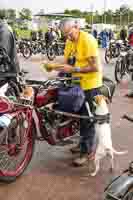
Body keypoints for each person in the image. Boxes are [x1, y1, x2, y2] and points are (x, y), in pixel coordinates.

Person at [46, 19, 103, 167]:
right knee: (77, 114)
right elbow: (66, 61)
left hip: (91, 84)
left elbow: (95, 67)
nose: (68, 37)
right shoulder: (70, 42)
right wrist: (54, 67)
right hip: (76, 82)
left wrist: (75, 70)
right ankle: (81, 143)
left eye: (69, 33)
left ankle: (86, 152)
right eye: (65, 35)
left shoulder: (88, 40)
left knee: (87, 118)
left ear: (76, 27)